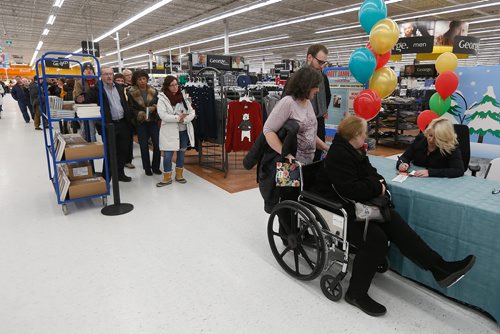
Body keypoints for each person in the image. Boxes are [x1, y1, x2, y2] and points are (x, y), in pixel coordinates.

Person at [313, 115, 475, 317]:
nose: (367, 135)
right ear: (355, 134)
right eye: (364, 132)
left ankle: (440, 268)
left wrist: (379, 181)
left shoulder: (355, 149)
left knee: (395, 222)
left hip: (356, 204)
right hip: (339, 208)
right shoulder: (339, 155)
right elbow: (351, 189)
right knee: (376, 240)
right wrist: (377, 186)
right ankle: (355, 294)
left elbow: (370, 172)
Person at [76, 67, 133, 182]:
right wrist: (79, 99)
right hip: (108, 125)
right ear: (101, 76)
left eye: (111, 74)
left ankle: (120, 174)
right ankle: (106, 177)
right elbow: (86, 98)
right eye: (106, 74)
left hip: (123, 123)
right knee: (110, 152)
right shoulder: (97, 89)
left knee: (123, 150)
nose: (109, 76)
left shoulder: (120, 87)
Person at [156, 75, 196, 186]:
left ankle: (179, 175)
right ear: (167, 87)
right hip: (169, 131)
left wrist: (184, 120)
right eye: (172, 85)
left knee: (181, 153)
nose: (175, 87)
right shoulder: (162, 99)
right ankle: (167, 177)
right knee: (168, 154)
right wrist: (178, 118)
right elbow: (163, 115)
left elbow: (192, 112)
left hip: (183, 130)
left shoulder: (183, 97)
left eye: (176, 84)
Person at [397, 118, 464, 178]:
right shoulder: (421, 139)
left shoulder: (451, 147)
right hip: (416, 178)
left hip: (440, 183)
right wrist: (402, 164)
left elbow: (458, 170)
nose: (430, 139)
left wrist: (430, 172)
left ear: (443, 139)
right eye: (430, 135)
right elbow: (405, 157)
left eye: (436, 138)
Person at [126, 70, 161, 176]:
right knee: (143, 145)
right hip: (141, 122)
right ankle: (147, 168)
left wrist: (153, 108)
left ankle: (156, 167)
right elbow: (130, 108)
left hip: (153, 120)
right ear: (135, 81)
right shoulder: (130, 92)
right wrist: (140, 114)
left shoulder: (154, 91)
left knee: (157, 144)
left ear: (147, 79)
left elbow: (158, 103)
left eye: (144, 79)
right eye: (139, 79)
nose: (142, 81)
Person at [305, 44, 331, 161]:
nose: (321, 66)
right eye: (319, 62)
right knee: (306, 155)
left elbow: (328, 95)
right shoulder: (299, 78)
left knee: (318, 154)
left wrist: (323, 110)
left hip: (319, 121)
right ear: (309, 57)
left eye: (323, 63)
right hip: (303, 123)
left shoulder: (323, 77)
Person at [122, 68, 136, 169]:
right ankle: (127, 159)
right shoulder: (121, 88)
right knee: (126, 138)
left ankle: (129, 158)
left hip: (135, 115)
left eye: (130, 74)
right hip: (125, 116)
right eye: (127, 75)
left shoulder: (135, 86)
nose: (129, 77)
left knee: (130, 137)